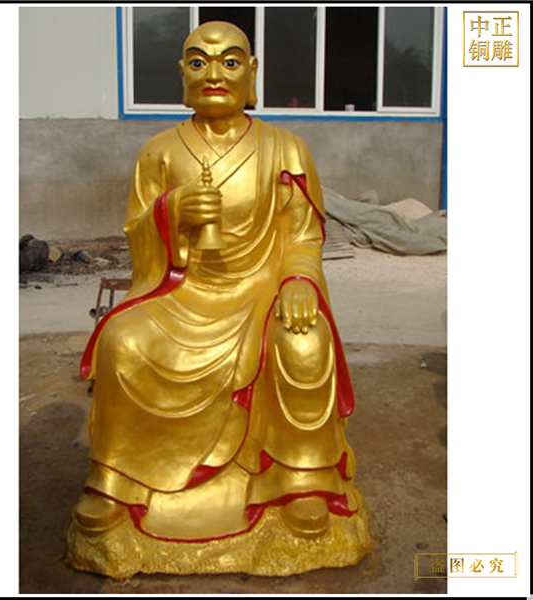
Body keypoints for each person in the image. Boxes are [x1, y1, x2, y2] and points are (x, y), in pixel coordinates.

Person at [68, 20, 370, 576]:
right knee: (121, 341)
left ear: (251, 73)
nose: (214, 73)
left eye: (230, 62)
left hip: (261, 289)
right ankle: (117, 480)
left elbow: (303, 237)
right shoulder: (159, 153)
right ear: (182, 74)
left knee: (304, 342)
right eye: (198, 62)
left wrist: (298, 280)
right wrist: (170, 215)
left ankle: (299, 478)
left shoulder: (285, 148)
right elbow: (137, 236)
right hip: (184, 290)